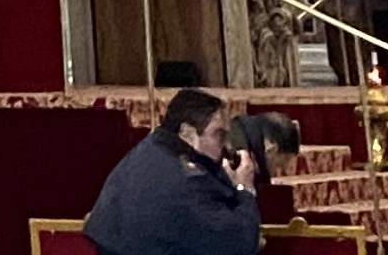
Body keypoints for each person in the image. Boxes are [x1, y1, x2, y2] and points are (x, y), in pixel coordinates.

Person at [88, 87, 263, 255]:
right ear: (187, 133)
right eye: (219, 135)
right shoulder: (191, 181)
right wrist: (244, 189)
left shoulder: (144, 151)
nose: (227, 146)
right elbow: (240, 244)